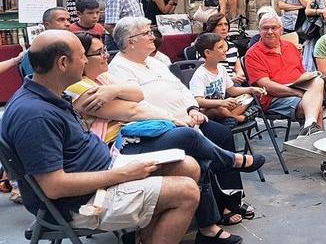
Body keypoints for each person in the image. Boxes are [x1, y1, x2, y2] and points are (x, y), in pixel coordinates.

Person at [1, 30, 200, 244]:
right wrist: (123, 174)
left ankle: (144, 238)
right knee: (186, 192)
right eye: (82, 56)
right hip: (79, 202)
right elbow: (54, 186)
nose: (86, 61)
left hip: (102, 172)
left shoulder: (51, 94)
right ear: (62, 63)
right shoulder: (35, 115)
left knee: (188, 165)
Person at [65, 32, 262, 237]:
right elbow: (133, 110)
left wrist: (113, 91)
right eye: (99, 52)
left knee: (206, 149)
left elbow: (137, 94)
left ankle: (213, 220)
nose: (106, 55)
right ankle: (232, 163)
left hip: (146, 130)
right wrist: (172, 119)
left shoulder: (105, 76)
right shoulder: (83, 86)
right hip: (119, 146)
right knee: (188, 137)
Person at [244, 9, 326, 179]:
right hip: (274, 98)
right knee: (317, 107)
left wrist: (307, 82)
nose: (270, 31)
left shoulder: (290, 47)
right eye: (265, 28)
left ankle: (309, 125)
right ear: (259, 30)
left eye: (274, 28)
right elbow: (267, 87)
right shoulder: (253, 54)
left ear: (281, 30)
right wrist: (299, 93)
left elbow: (300, 74)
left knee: (319, 81)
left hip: (298, 89)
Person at [190, 32, 266, 127]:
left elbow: (232, 90)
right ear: (207, 53)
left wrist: (251, 89)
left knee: (247, 96)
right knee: (219, 109)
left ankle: (230, 119)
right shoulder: (200, 74)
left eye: (224, 46)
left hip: (223, 106)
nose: (225, 50)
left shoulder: (221, 68)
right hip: (207, 111)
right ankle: (239, 118)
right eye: (220, 47)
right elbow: (198, 101)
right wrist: (222, 102)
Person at [20, 7, 71, 77]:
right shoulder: (36, 51)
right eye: (61, 20)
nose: (67, 23)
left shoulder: (71, 46)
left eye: (68, 20)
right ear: (47, 25)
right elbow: (35, 82)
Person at [203, 14, 246, 85]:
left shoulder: (232, 46)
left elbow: (239, 69)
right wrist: (230, 80)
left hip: (235, 83)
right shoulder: (205, 46)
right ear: (212, 28)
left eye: (226, 24)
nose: (224, 28)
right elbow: (207, 73)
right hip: (215, 84)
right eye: (219, 25)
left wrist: (239, 76)